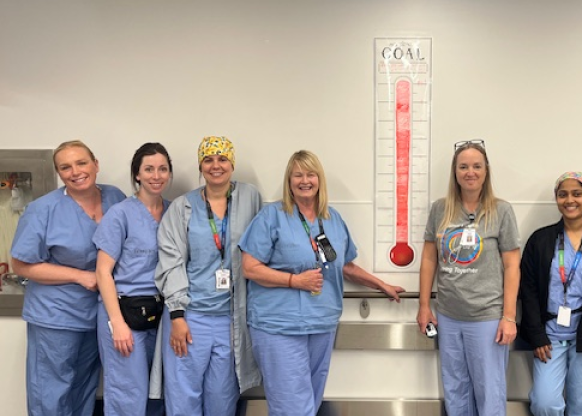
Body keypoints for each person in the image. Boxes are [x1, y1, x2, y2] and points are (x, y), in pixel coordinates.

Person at [239, 149, 404, 416]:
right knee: (293, 408)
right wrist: (295, 281)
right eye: (298, 175)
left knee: (310, 404)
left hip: (321, 324)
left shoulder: (333, 219)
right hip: (279, 326)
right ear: (289, 181)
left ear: (320, 179)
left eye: (311, 174)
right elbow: (250, 267)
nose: (305, 180)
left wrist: (379, 284)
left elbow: (345, 265)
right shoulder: (272, 217)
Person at [10, 140, 126, 416]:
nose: (75, 171)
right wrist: (80, 276)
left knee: (83, 387)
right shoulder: (43, 209)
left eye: (81, 163)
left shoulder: (115, 198)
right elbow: (21, 264)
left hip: (98, 314)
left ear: (95, 164)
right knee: (51, 390)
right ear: (59, 173)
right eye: (66, 167)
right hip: (56, 316)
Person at [152, 136, 262, 415]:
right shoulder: (182, 207)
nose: (216, 165)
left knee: (222, 399)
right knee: (183, 396)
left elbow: (263, 246)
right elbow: (171, 262)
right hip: (191, 318)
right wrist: (177, 316)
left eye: (222, 159)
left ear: (232, 163)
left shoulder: (250, 197)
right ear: (200, 166)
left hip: (231, 320)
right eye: (208, 159)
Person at [416, 140, 521, 416]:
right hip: (449, 315)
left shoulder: (501, 211)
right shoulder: (440, 209)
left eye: (476, 166)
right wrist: (424, 305)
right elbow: (429, 259)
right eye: (463, 166)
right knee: (455, 388)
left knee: (489, 390)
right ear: (455, 172)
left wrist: (508, 317)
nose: (469, 172)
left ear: (486, 171)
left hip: (486, 316)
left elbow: (512, 266)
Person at [519, 172, 582, 416]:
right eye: (562, 194)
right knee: (545, 403)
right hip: (550, 337)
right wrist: (536, 335)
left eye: (577, 194)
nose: (569, 200)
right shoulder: (541, 240)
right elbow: (529, 290)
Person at [92, 142, 172, 416]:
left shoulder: (175, 212)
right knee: (129, 393)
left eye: (162, 169)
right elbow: (103, 272)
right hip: (124, 314)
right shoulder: (120, 214)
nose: (156, 175)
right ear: (137, 174)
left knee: (161, 390)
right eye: (148, 169)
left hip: (161, 315)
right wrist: (117, 324)